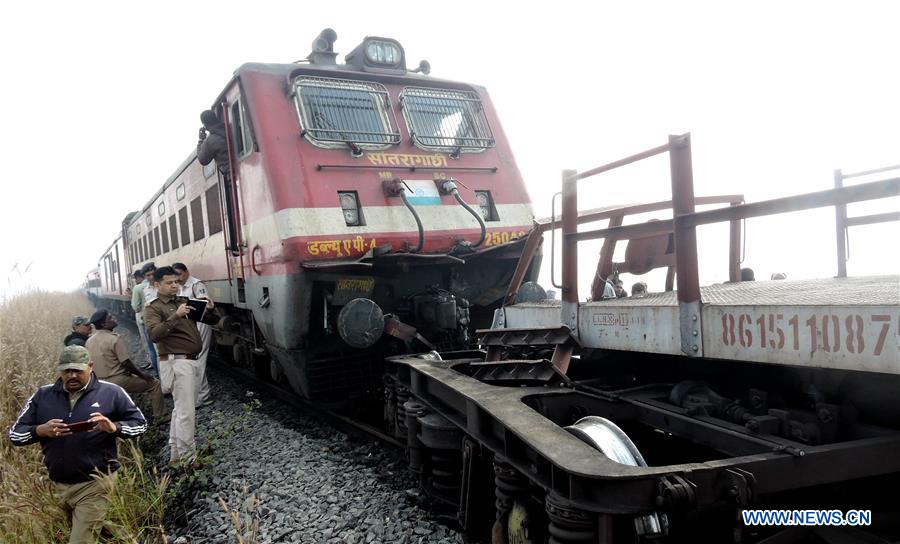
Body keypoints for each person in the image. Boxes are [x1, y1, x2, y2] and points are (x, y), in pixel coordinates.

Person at [8, 346, 147, 544]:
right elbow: (15, 434)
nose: (72, 375)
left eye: (78, 370)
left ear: (90, 367)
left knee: (80, 539)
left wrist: (113, 427)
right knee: (98, 527)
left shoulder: (112, 392)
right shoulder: (42, 395)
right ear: (60, 370)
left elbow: (141, 424)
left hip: (96, 482)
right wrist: (39, 430)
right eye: (66, 371)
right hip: (59, 485)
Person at [143, 266, 219, 465]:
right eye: (169, 283)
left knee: (180, 410)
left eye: (176, 282)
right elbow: (154, 334)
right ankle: (189, 459)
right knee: (186, 412)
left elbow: (212, 320)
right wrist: (175, 316)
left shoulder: (184, 302)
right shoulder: (153, 308)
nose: (174, 286)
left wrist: (211, 309)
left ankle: (176, 456)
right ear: (156, 284)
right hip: (176, 361)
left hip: (189, 360)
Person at [85, 309, 167, 423]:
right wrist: (143, 375)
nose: (113, 318)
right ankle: (160, 416)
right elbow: (125, 363)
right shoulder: (114, 339)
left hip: (99, 382)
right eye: (110, 318)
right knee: (154, 384)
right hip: (118, 380)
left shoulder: (89, 341)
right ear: (103, 324)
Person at [172, 262, 213, 407]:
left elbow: (204, 306)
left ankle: (203, 397)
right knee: (193, 360)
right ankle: (200, 395)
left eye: (179, 274)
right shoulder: (179, 286)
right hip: (189, 325)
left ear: (186, 271)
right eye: (175, 275)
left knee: (199, 359)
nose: (178, 278)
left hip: (200, 323)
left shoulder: (197, 285)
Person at [132, 263, 159, 375]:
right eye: (149, 275)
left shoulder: (138, 288)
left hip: (147, 322)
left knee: (152, 348)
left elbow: (136, 308)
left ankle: (158, 373)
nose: (151, 277)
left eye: (152, 274)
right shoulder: (161, 284)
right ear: (145, 276)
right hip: (160, 322)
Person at [197, 109, 230, 180]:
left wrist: (200, 140)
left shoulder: (210, 141)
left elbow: (202, 160)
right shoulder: (229, 127)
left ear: (205, 125)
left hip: (231, 175)